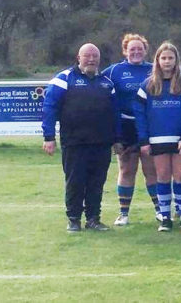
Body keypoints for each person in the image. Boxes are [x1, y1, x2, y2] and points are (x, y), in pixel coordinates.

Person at [42, 43, 119, 232]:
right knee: (75, 182)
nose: (91, 59)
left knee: (97, 183)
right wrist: (49, 137)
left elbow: (115, 114)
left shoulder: (107, 83)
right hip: (74, 142)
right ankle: (74, 219)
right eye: (87, 56)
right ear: (79, 58)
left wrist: (117, 138)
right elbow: (49, 108)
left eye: (95, 56)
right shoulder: (63, 79)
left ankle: (93, 219)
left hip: (101, 143)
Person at [134, 42, 181, 232]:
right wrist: (144, 140)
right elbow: (140, 114)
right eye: (163, 58)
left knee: (180, 175)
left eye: (171, 58)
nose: (167, 61)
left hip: (180, 139)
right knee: (162, 176)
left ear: (176, 60)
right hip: (157, 140)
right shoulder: (147, 85)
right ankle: (165, 217)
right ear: (157, 60)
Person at [101, 33, 155, 227]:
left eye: (140, 49)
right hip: (125, 127)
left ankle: (160, 211)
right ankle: (123, 213)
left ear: (145, 51)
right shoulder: (114, 71)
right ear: (125, 51)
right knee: (126, 170)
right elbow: (96, 85)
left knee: (152, 170)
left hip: (149, 126)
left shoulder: (154, 69)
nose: (136, 52)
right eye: (132, 49)